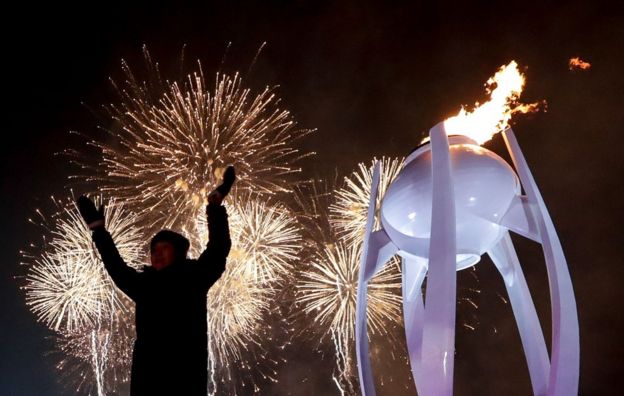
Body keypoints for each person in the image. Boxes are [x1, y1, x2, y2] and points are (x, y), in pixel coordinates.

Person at [77, 166, 236, 396]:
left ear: (179, 253)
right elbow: (117, 268)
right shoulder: (145, 286)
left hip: (186, 383)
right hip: (147, 386)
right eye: (153, 250)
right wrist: (98, 231)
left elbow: (219, 249)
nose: (157, 254)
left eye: (164, 248)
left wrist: (214, 207)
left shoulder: (194, 278)